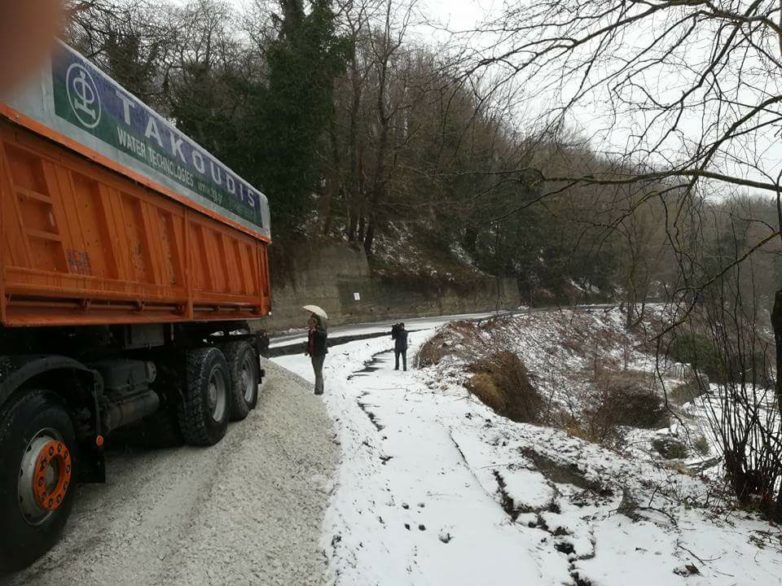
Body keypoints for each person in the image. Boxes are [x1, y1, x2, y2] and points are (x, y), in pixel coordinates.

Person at [305, 313, 328, 395]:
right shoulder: (310, 331)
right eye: (309, 323)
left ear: (315, 323)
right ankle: (320, 388)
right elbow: (310, 342)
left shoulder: (320, 330)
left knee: (318, 372)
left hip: (320, 354)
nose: (309, 325)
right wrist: (307, 350)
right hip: (313, 354)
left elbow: (324, 336)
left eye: (311, 323)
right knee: (317, 372)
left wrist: (316, 332)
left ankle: (318, 390)